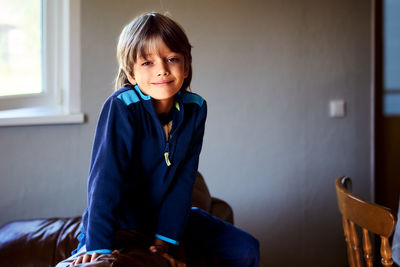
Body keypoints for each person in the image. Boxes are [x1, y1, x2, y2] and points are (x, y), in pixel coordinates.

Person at [57, 12, 259, 267]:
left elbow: (184, 179)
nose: (162, 70)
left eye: (172, 59)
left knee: (246, 248)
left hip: (168, 220)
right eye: (147, 62)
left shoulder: (195, 109)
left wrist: (166, 241)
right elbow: (105, 179)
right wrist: (99, 245)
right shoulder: (122, 107)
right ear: (131, 73)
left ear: (186, 67)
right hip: (121, 222)